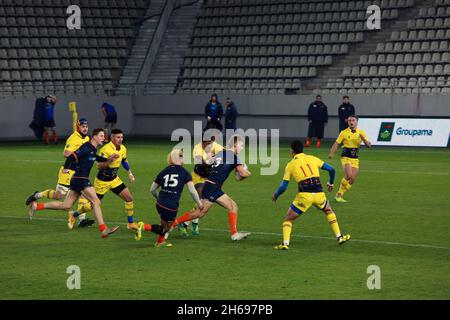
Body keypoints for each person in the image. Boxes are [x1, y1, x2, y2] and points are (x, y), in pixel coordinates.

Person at [28, 128, 119, 238]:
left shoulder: (93, 149)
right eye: (101, 136)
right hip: (81, 179)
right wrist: (66, 168)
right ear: (94, 137)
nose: (103, 138)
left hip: (78, 179)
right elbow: (71, 156)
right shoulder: (86, 147)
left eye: (104, 136)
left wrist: (109, 159)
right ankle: (103, 230)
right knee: (96, 202)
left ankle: (36, 206)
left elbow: (97, 158)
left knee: (66, 206)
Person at [166, 135, 252, 242]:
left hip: (209, 184)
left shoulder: (221, 153)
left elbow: (211, 163)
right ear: (235, 144)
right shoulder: (234, 157)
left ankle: (173, 224)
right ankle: (234, 234)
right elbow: (242, 173)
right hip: (213, 187)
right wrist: (249, 173)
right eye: (241, 145)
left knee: (200, 213)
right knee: (233, 207)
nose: (242, 148)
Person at [271, 140, 350, 250]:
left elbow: (283, 187)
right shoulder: (313, 158)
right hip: (319, 194)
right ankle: (339, 237)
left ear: (292, 151)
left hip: (305, 196)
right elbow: (332, 170)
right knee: (328, 211)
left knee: (288, 219)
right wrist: (330, 183)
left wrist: (276, 194)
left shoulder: (290, 165)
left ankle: (285, 243)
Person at [25, 103, 94, 228]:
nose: (85, 128)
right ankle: (37, 196)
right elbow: (66, 154)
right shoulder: (74, 138)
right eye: (83, 126)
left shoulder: (87, 139)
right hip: (69, 171)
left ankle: (81, 219)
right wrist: (80, 153)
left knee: (84, 193)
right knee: (59, 196)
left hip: (80, 172)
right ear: (78, 127)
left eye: (86, 126)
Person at [67, 128, 139, 230]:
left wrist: (130, 173)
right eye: (118, 137)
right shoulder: (105, 149)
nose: (120, 139)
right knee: (93, 205)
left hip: (114, 179)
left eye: (122, 137)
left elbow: (124, 160)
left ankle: (130, 224)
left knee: (129, 198)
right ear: (112, 138)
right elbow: (100, 166)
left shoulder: (123, 148)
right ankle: (74, 215)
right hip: (102, 181)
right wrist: (109, 161)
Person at [134, 149, 203, 247]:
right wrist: (199, 204)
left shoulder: (164, 171)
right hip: (171, 205)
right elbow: (192, 191)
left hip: (160, 203)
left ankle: (160, 242)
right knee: (167, 228)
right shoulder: (185, 173)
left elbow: (152, 189)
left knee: (163, 223)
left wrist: (159, 199)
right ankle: (143, 226)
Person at [177, 132, 224, 237]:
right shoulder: (197, 149)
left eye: (212, 142)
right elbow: (202, 164)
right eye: (209, 142)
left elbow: (226, 153)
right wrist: (213, 159)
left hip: (209, 178)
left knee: (202, 202)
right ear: (204, 141)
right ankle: (186, 223)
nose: (211, 145)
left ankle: (190, 223)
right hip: (197, 177)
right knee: (202, 201)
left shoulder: (214, 145)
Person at [328, 115, 372, 203]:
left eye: (353, 120)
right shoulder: (343, 132)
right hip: (345, 157)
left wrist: (363, 139)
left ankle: (339, 195)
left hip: (355, 158)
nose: (351, 122)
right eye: (349, 120)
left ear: (356, 122)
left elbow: (369, 146)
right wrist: (332, 153)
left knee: (352, 180)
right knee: (348, 176)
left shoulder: (361, 132)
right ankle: (338, 196)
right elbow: (336, 144)